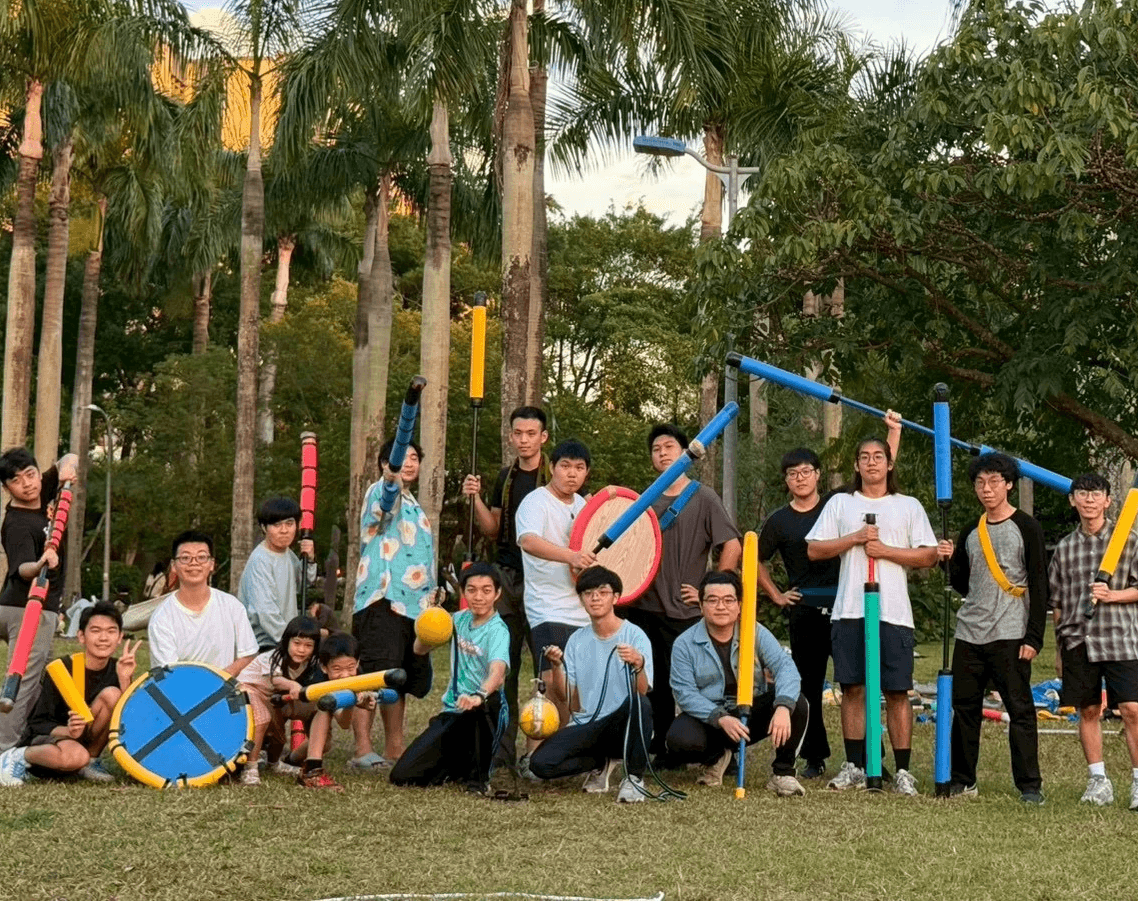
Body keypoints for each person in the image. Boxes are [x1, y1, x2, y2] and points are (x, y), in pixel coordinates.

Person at [757, 415, 901, 780]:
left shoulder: (839, 504)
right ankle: (814, 756)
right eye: (792, 474)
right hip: (804, 608)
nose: (800, 478)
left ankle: (872, 758)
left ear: (818, 474)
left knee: (859, 681)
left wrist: (893, 433)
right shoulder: (778, 521)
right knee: (807, 683)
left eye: (806, 471)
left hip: (847, 606)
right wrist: (775, 594)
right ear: (786, 481)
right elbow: (754, 558)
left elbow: (878, 476)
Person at [806, 436, 939, 795]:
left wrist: (885, 550)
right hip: (850, 609)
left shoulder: (908, 505)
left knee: (897, 692)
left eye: (878, 456)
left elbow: (928, 556)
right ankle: (854, 767)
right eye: (863, 457)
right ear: (856, 465)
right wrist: (854, 539)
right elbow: (815, 550)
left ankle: (903, 771)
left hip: (893, 612)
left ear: (889, 463)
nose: (871, 463)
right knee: (853, 688)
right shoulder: (840, 503)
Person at [620, 424, 741, 766]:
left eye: (669, 446)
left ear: (685, 452)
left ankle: (719, 750)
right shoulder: (642, 499)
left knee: (703, 681)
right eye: (656, 448)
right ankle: (663, 747)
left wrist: (710, 589)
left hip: (686, 610)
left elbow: (731, 544)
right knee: (654, 681)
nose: (662, 452)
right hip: (644, 606)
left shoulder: (703, 497)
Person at [936, 453, 1047, 803]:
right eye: (981, 483)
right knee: (964, 709)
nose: (987, 489)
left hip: (1011, 631)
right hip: (970, 632)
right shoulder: (972, 530)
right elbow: (963, 585)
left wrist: (1033, 637)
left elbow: (1040, 585)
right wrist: (947, 562)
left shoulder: (1026, 527)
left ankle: (1029, 785)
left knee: (1020, 709)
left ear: (1009, 484)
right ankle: (963, 779)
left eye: (994, 481)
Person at [462, 406, 549, 780]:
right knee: (505, 666)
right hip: (508, 576)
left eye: (532, 433)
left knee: (548, 668)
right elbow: (493, 530)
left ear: (543, 437)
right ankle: (502, 754)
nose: (524, 440)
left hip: (546, 579)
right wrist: (476, 498)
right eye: (519, 433)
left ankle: (542, 755)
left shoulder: (556, 476)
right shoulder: (505, 477)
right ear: (512, 436)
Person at [667, 571, 809, 796]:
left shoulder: (754, 632)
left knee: (797, 703)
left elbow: (785, 667)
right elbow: (684, 693)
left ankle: (783, 773)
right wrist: (720, 717)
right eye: (712, 600)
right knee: (679, 740)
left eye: (728, 600)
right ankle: (717, 757)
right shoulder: (684, 644)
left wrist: (782, 706)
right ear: (701, 605)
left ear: (740, 604)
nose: (721, 606)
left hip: (750, 713)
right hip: (712, 719)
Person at [1049, 472, 1138, 809]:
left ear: (1107, 500)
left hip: (1121, 638)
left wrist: (1113, 595)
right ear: (1073, 500)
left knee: (1132, 709)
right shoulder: (1065, 548)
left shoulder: (1128, 539)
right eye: (1081, 494)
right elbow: (1057, 602)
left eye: (1095, 494)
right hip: (1078, 640)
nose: (1088, 499)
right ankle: (1098, 781)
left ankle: (1137, 781)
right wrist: (1060, 648)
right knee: (1088, 710)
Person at [530, 566, 653, 803]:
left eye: (602, 592)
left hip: (621, 726)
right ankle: (600, 762)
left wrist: (638, 664)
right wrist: (556, 666)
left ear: (616, 597)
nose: (595, 598)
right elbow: (567, 698)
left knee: (640, 704)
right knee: (540, 764)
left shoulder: (635, 636)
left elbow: (642, 692)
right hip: (588, 725)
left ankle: (635, 779)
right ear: (581, 600)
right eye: (588, 593)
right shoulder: (576, 639)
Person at [351, 438, 435, 770]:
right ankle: (361, 749)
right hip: (380, 598)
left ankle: (395, 749)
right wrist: (390, 478)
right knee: (372, 675)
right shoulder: (381, 491)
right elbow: (387, 497)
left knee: (396, 677)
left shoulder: (416, 505)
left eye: (415, 457)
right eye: (402, 458)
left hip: (411, 605)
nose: (409, 463)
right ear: (386, 464)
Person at [514, 438, 597, 776]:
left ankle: (558, 755)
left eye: (579, 468)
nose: (571, 474)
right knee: (550, 683)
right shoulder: (536, 502)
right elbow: (528, 540)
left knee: (577, 688)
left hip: (584, 610)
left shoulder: (585, 506)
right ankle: (532, 758)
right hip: (548, 608)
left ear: (586, 472)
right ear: (552, 467)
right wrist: (571, 556)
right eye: (565, 466)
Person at [390, 562, 510, 792]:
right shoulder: (458, 620)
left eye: (486, 590)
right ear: (463, 592)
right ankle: (455, 766)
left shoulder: (498, 631)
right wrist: (431, 617)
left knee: (482, 707)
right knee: (403, 775)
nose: (479, 597)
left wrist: (478, 695)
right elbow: (420, 649)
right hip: (453, 711)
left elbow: (498, 672)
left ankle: (478, 778)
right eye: (472, 590)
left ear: (497, 594)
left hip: (484, 709)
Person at [0, 602, 138, 786]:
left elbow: (130, 720)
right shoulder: (62, 669)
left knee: (113, 695)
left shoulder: (118, 669)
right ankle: (17, 756)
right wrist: (69, 731)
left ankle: (91, 761)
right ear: (81, 636)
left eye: (111, 631)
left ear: (120, 637)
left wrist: (125, 681)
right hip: (51, 740)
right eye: (95, 630)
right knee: (75, 757)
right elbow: (38, 723)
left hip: (81, 739)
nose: (103, 638)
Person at [0, 448, 79, 751]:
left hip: (42, 608)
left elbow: (67, 458)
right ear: (8, 488)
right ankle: (5, 753)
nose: (27, 484)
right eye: (16, 481)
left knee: (47, 679)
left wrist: (68, 468)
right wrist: (41, 561)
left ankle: (31, 739)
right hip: (25, 607)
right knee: (23, 683)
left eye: (30, 474)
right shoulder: (16, 522)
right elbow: (22, 570)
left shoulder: (42, 488)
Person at [147, 531, 258, 675]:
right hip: (180, 693)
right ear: (174, 566)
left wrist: (219, 681)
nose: (194, 563)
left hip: (225, 690)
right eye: (185, 558)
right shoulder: (162, 618)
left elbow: (248, 654)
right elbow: (170, 674)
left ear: (212, 564)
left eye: (201, 557)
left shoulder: (232, 606)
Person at [235, 614, 323, 785]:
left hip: (271, 697)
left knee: (279, 736)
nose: (301, 650)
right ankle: (250, 768)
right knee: (262, 719)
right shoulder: (273, 656)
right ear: (287, 641)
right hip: (248, 689)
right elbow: (276, 680)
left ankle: (273, 763)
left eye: (308, 645)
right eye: (297, 643)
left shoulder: (310, 663)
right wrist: (291, 685)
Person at [297, 633, 377, 791]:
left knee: (325, 744)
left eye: (350, 668)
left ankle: (291, 759)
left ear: (357, 663)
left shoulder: (357, 680)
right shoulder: (318, 680)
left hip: (315, 720)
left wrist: (352, 702)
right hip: (293, 707)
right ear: (324, 667)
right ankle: (312, 770)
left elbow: (344, 723)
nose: (345, 675)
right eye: (337, 669)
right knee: (324, 707)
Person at [237, 497, 316, 651]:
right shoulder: (260, 560)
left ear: (298, 525)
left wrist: (310, 560)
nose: (284, 530)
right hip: (264, 645)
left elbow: (304, 583)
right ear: (264, 528)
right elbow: (265, 613)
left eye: (289, 523)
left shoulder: (288, 554)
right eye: (276, 525)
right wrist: (292, 642)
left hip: (286, 641)